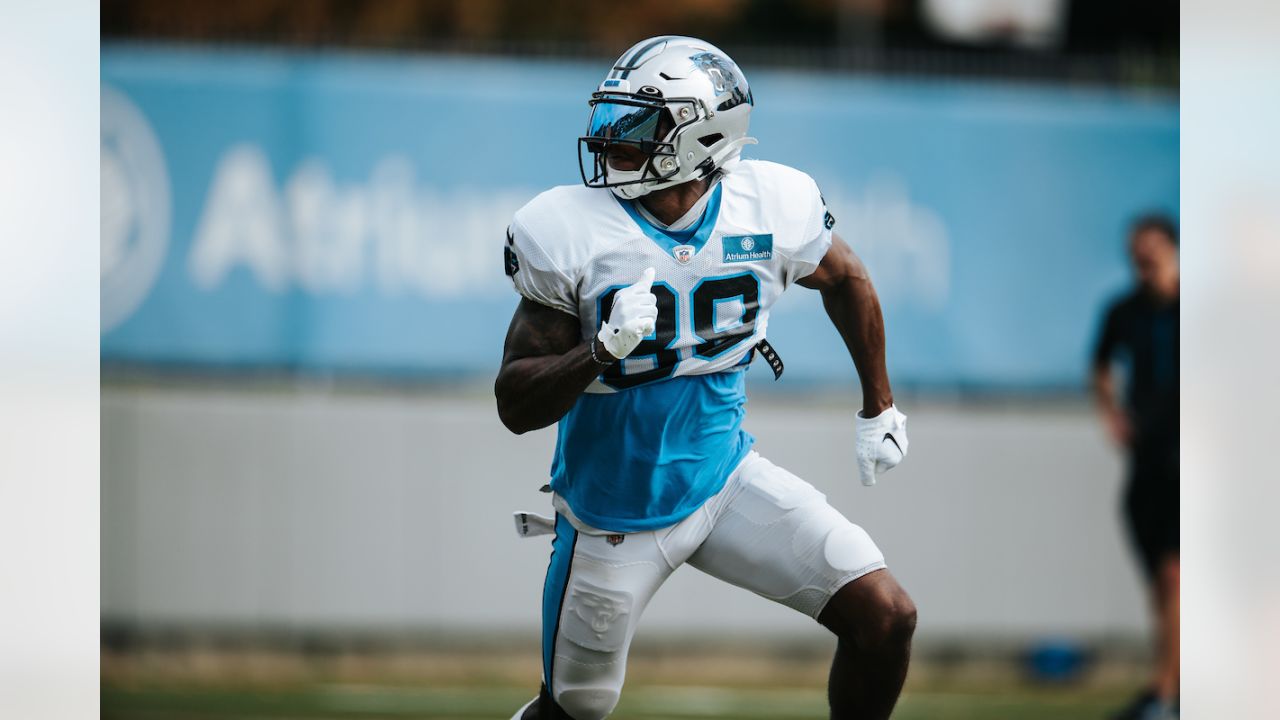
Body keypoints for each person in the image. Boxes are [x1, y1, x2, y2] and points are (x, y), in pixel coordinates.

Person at [496, 36, 915, 720]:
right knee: (574, 710)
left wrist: (880, 407)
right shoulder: (569, 230)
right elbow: (514, 401)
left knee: (886, 616)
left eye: (636, 125)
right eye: (612, 120)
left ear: (705, 135)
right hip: (611, 516)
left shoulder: (770, 204)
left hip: (724, 483)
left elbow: (849, 277)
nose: (611, 141)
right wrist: (597, 351)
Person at [1092, 214, 1179, 720]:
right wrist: (1113, 415)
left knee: (1174, 576)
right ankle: (1170, 685)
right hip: (1148, 461)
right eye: (1135, 255)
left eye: (1150, 253)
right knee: (1162, 584)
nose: (1142, 263)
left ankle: (1162, 693)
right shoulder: (1124, 311)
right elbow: (1101, 364)